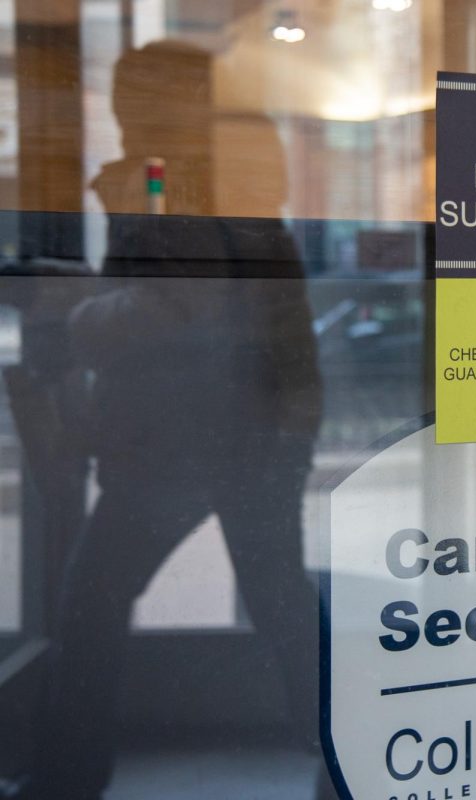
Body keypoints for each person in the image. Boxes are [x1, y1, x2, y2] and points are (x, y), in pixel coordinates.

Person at [14, 40, 323, 799]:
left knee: (93, 600)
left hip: (195, 432)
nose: (119, 118)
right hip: (253, 420)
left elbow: (179, 301)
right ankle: (349, 755)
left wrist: (78, 313)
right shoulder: (214, 172)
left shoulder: (166, 176)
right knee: (278, 596)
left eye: (131, 101)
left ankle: (67, 781)